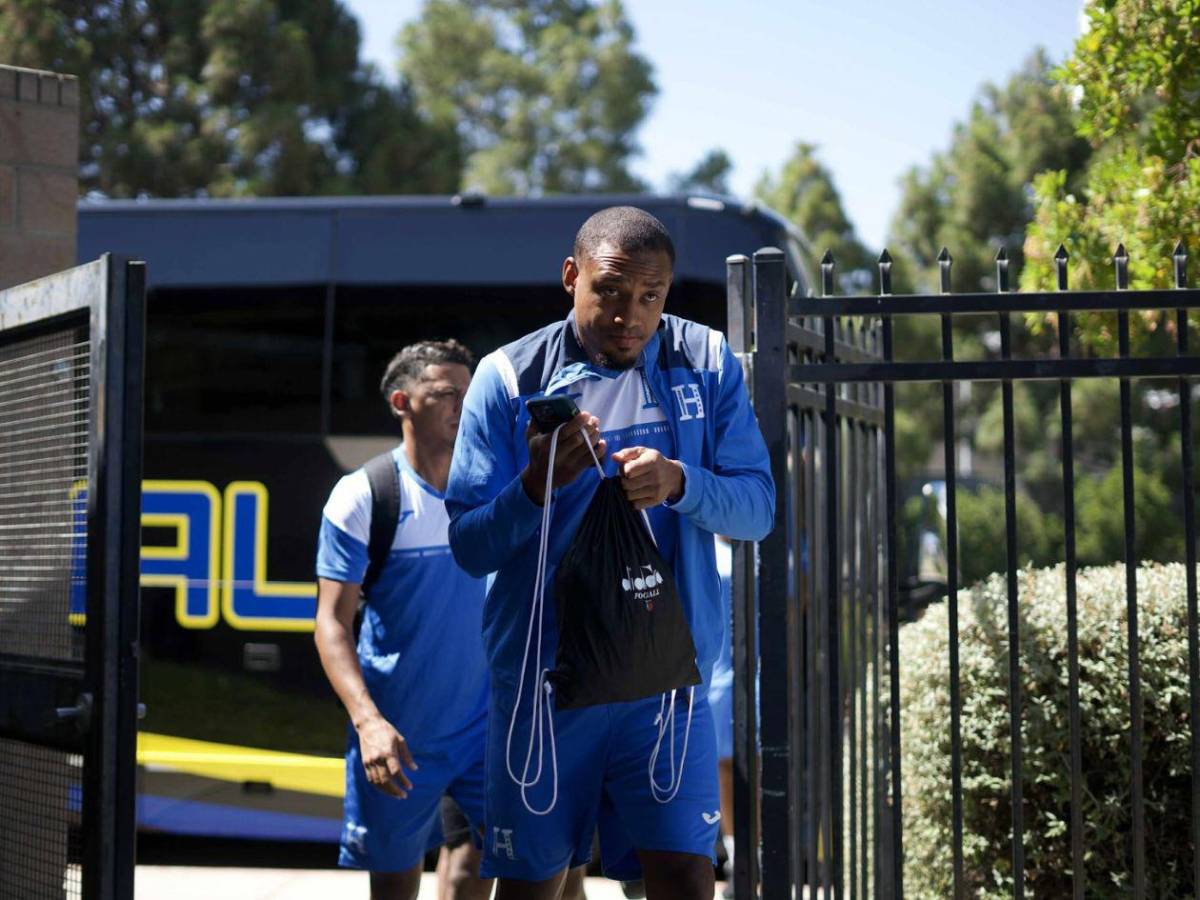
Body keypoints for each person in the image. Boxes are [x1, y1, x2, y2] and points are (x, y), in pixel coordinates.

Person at [445, 206, 775, 900]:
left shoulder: (705, 360)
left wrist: (681, 482)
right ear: (572, 277)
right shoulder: (507, 378)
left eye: (651, 297)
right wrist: (538, 484)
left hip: (665, 683)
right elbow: (470, 547)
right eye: (612, 292)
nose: (631, 315)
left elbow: (757, 509)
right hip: (545, 687)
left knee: (686, 876)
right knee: (534, 885)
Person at [314, 340, 492, 900]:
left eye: (470, 393)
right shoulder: (365, 495)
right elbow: (331, 623)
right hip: (401, 740)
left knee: (501, 866)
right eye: (445, 394)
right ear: (402, 402)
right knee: (394, 886)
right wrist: (369, 723)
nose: (462, 405)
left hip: (491, 734)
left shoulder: (497, 488)